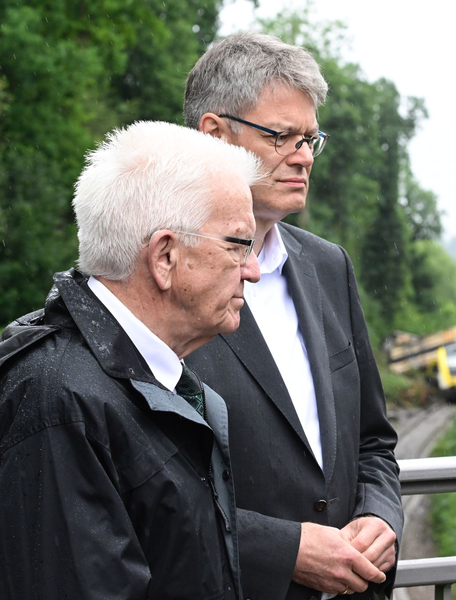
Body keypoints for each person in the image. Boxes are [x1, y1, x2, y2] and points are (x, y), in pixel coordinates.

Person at [0, 121, 263, 600]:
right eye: (237, 245)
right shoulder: (61, 402)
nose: (254, 270)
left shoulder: (127, 380)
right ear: (165, 256)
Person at [183, 32, 403, 600]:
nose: (304, 156)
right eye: (280, 135)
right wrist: (284, 553)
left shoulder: (329, 267)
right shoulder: (163, 279)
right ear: (214, 135)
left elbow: (373, 443)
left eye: (310, 138)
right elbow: (149, 489)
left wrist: (382, 519)